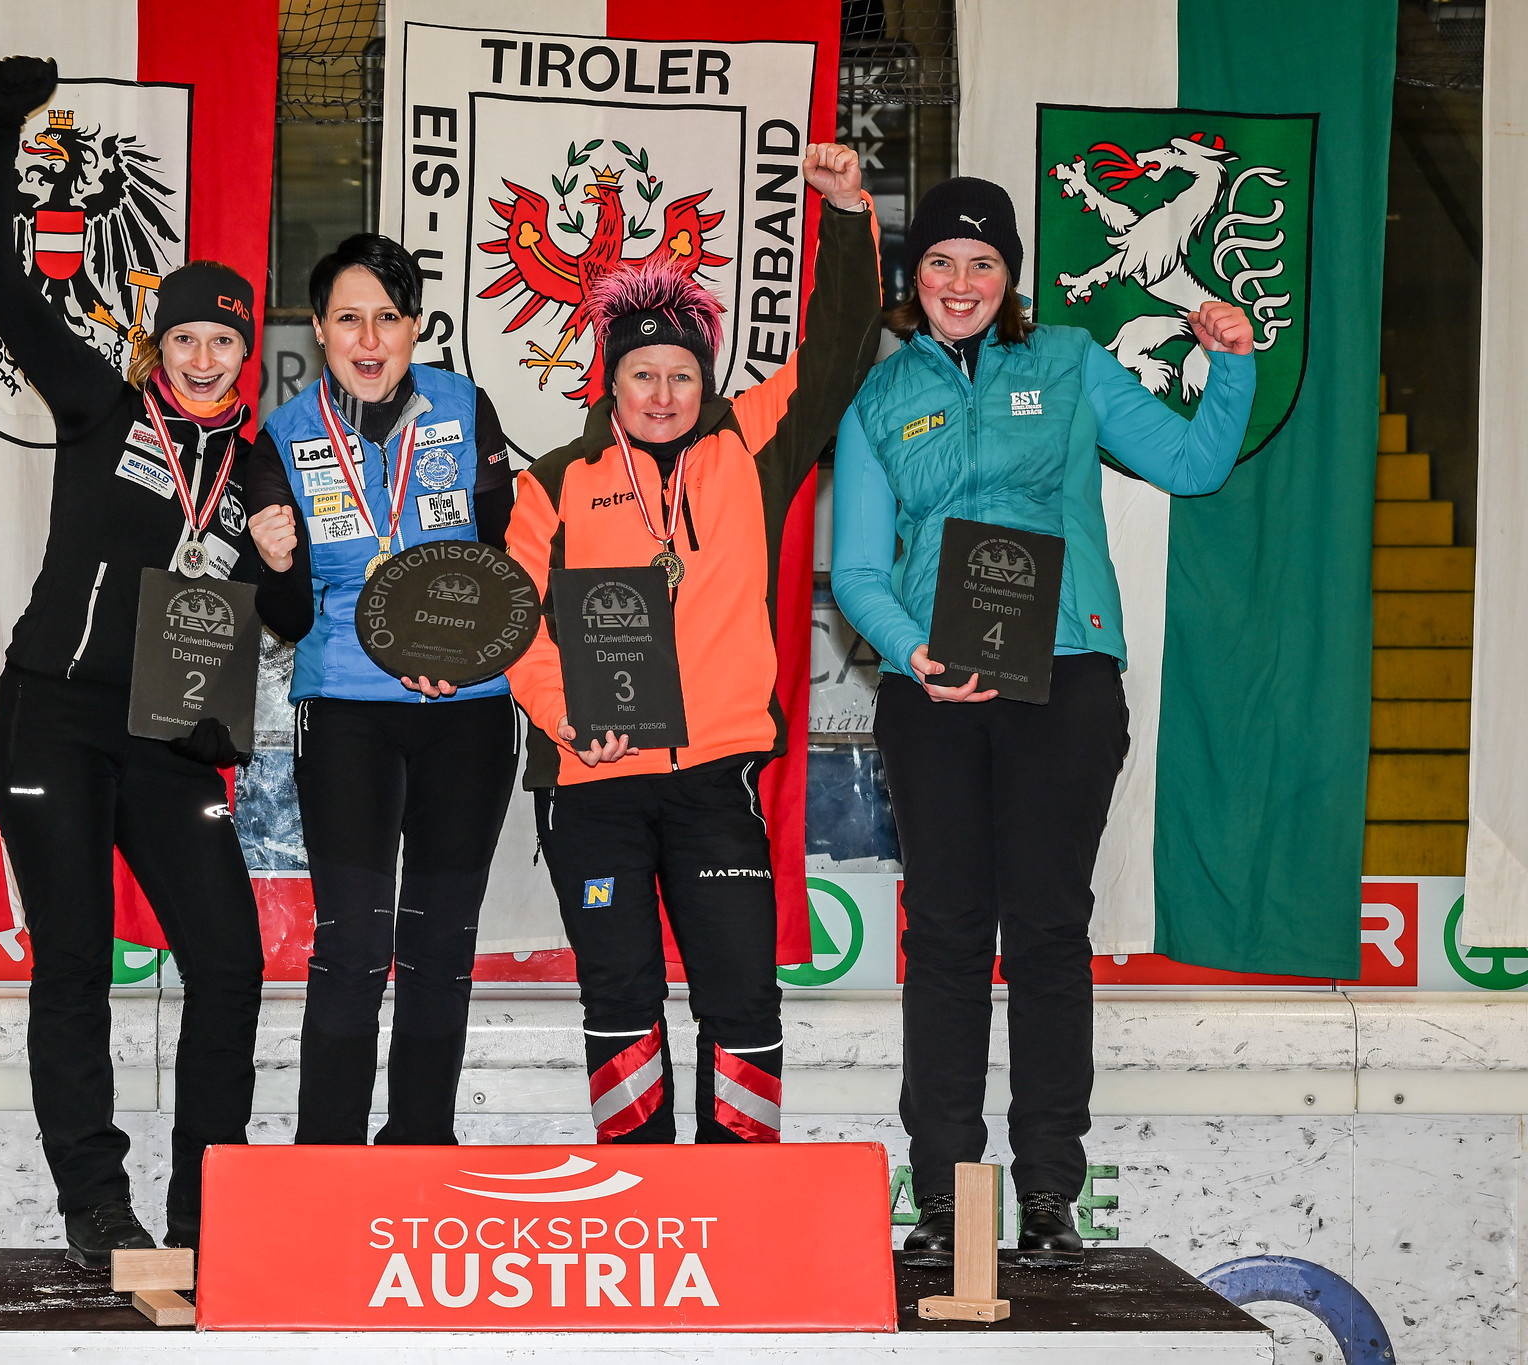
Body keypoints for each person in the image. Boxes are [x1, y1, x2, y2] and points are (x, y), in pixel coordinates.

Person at [831, 176, 1257, 1266]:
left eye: (980, 263)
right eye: (937, 263)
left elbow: (1192, 466)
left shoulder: (1067, 363)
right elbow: (858, 569)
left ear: (1009, 275)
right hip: (933, 692)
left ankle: (1047, 1196)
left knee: (1048, 931)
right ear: (909, 278)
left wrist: (1231, 362)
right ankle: (940, 1196)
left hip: (1064, 677)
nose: (959, 283)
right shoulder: (879, 402)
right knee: (946, 939)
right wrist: (910, 651)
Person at [0, 56, 306, 1266]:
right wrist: (6, 127)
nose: (206, 356)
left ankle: (204, 1210)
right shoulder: (103, 409)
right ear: (158, 344)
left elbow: (295, 615)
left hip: (170, 740)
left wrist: (277, 556)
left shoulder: (260, 465)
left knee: (226, 961)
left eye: (225, 338)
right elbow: (0, 283)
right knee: (72, 967)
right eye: (188, 337)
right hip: (51, 719)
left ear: (247, 350)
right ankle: (92, 1205)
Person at [504, 144, 881, 1145]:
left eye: (678, 373)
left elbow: (841, 348)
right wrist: (574, 723)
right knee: (618, 996)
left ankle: (740, 1197)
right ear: (611, 380)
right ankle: (637, 1187)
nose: (662, 393)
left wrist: (845, 214)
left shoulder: (748, 446)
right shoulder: (551, 479)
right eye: (641, 374)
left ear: (700, 378)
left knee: (740, 999)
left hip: (714, 776)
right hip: (589, 785)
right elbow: (515, 624)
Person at [244, 234, 517, 1145]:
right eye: (349, 319)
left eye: (388, 319)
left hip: (466, 712)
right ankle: (326, 1159)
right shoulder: (281, 434)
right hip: (348, 712)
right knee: (354, 946)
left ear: (415, 327)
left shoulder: (465, 406)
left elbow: (498, 555)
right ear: (317, 328)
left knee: (440, 946)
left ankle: (420, 1151)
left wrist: (470, 649)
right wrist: (275, 563)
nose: (370, 339)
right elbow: (284, 614)